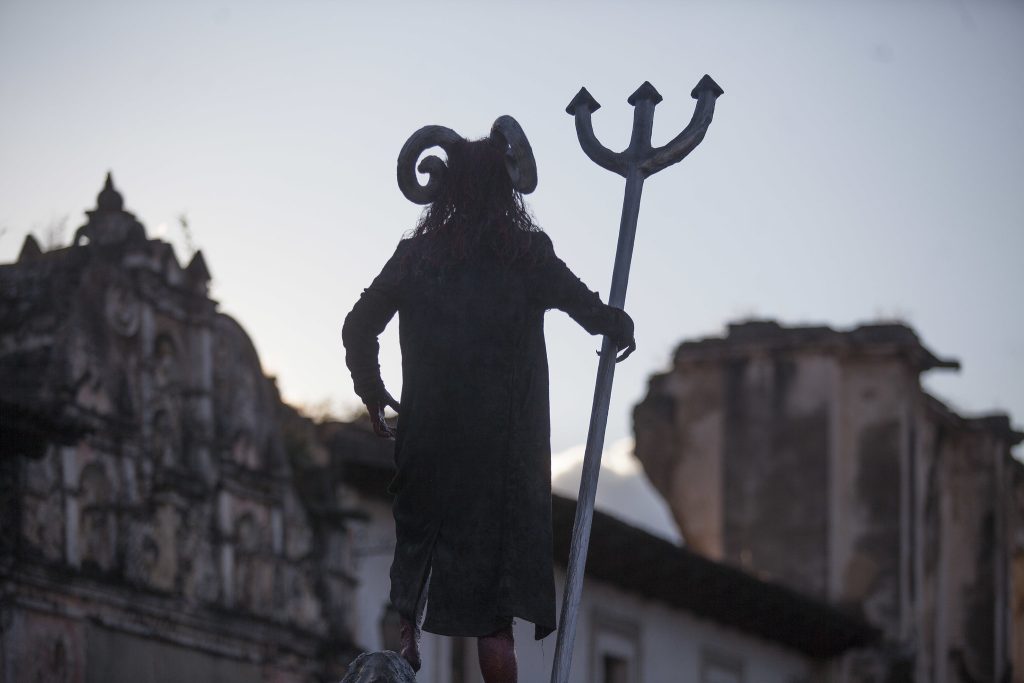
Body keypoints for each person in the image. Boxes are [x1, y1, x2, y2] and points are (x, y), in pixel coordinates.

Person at [342, 116, 634, 683]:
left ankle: (403, 659)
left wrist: (375, 395)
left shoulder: (416, 258)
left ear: (446, 190)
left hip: (428, 449)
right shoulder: (526, 255)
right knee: (494, 623)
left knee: (414, 590)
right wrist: (618, 324)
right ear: (505, 191)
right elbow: (593, 313)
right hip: (501, 462)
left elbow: (358, 327)